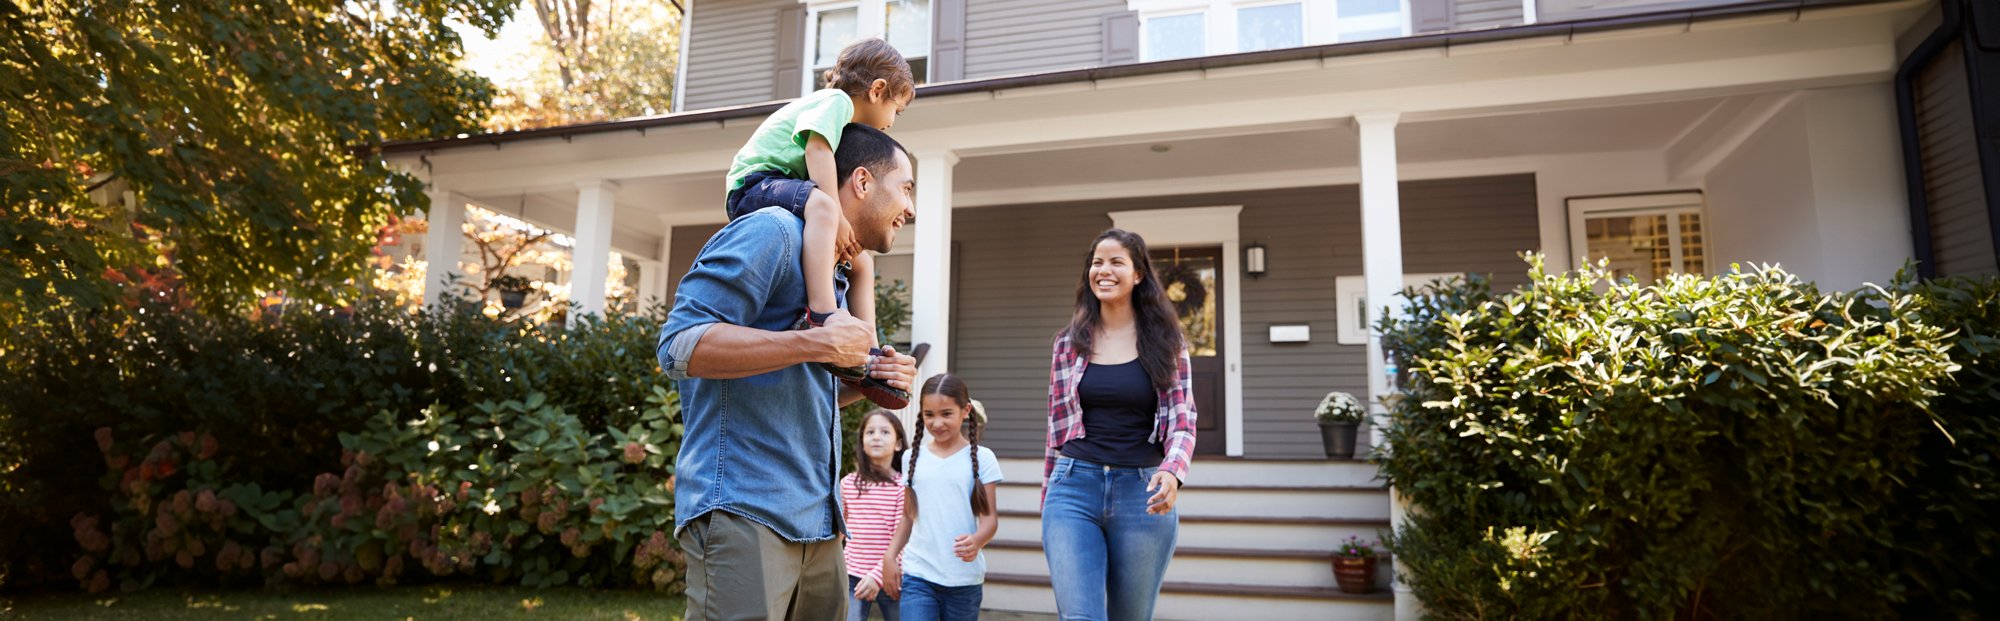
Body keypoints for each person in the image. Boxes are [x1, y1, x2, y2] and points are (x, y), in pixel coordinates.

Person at [658, 124, 919, 621]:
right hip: (745, 511)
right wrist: (814, 341)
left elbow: (803, 382)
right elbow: (678, 345)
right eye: (905, 189)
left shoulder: (838, 273)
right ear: (862, 182)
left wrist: (869, 381)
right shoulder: (772, 232)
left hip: (820, 524)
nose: (910, 208)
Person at [722, 37, 916, 408]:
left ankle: (869, 356)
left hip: (777, 184)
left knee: (862, 260)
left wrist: (868, 373)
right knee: (823, 208)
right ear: (877, 91)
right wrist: (836, 213)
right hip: (755, 181)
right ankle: (823, 314)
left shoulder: (838, 117)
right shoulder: (835, 102)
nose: (892, 122)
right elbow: (817, 151)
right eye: (897, 109)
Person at [1040, 228, 1198, 621]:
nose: (1103, 270)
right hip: (1074, 488)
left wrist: (1172, 472)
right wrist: (1048, 498)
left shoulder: (1167, 342)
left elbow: (1182, 418)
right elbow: (1055, 430)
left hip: (1141, 493)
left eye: (1116, 262)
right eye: (1096, 262)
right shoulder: (1068, 343)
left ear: (1138, 274)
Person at [883, 374, 1002, 621]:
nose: (937, 423)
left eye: (946, 413)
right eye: (929, 414)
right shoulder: (910, 458)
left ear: (965, 410)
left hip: (964, 580)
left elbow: (990, 520)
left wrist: (977, 540)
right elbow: (908, 516)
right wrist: (890, 556)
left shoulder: (984, 457)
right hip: (919, 575)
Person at [843, 410, 909, 621]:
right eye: (870, 432)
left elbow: (903, 540)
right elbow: (840, 531)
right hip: (853, 576)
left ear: (898, 444)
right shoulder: (848, 484)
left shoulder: (903, 487)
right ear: (862, 442)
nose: (876, 437)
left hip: (892, 575)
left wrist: (876, 576)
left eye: (884, 432)